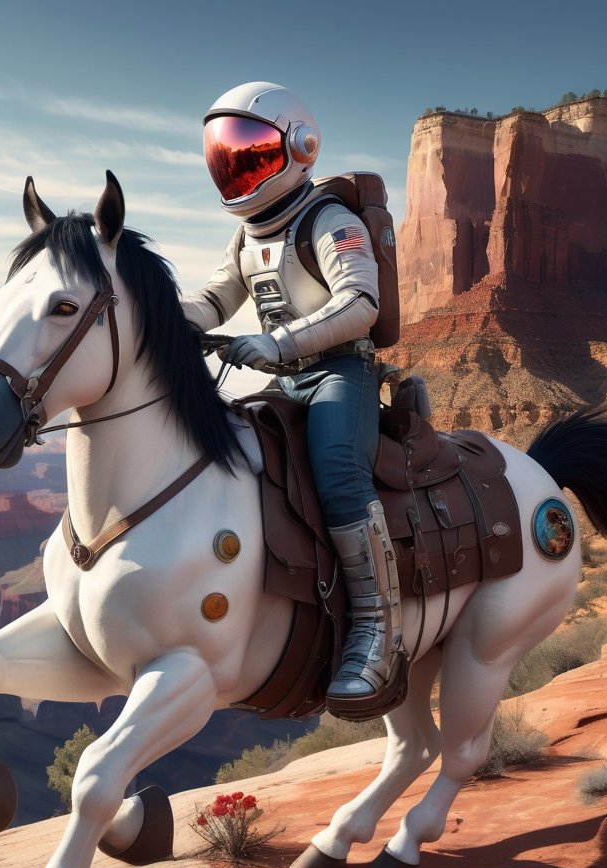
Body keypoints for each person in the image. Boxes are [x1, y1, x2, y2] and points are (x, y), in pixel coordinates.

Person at [181, 81, 406, 718]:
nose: (236, 168)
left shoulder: (330, 222)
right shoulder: (247, 236)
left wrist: (278, 345)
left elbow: (360, 304)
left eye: (250, 153)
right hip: (282, 372)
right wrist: (171, 318)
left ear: (299, 148)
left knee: (336, 470)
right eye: (227, 156)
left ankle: (376, 627)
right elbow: (217, 297)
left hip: (339, 373)